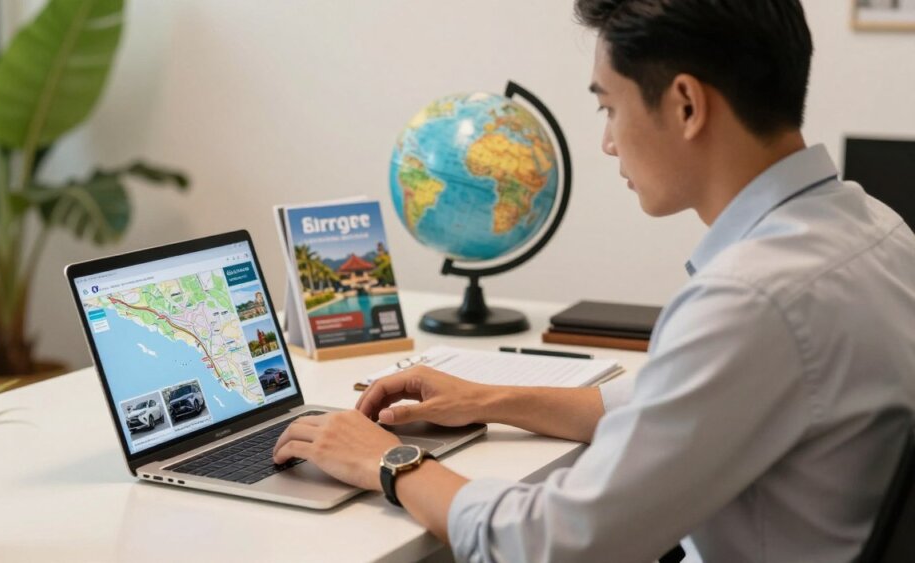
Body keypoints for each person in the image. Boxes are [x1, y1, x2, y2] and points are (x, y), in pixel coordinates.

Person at [273, 1, 915, 560]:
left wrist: (387, 462)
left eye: (610, 107)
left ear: (687, 104)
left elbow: (553, 545)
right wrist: (484, 400)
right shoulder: (878, 230)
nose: (608, 143)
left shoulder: (753, 299)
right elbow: (664, 407)